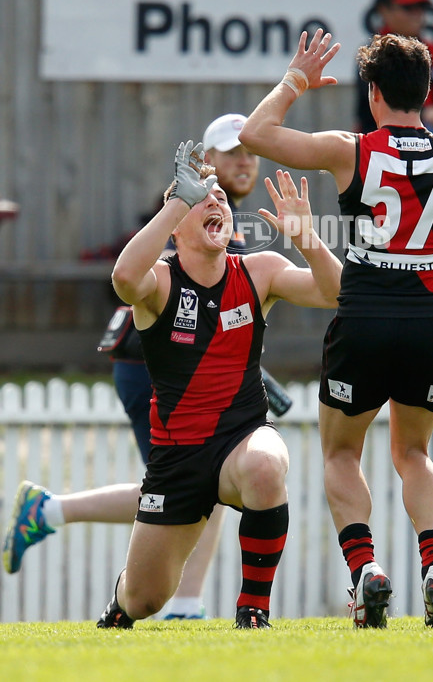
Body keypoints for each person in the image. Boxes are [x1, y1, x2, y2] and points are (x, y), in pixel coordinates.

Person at [240, 28, 433, 628]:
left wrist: (296, 79)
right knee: (412, 451)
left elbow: (255, 134)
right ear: (427, 92)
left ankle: (366, 572)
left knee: (339, 452)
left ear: (374, 93)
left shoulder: (350, 149)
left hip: (363, 315)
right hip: (431, 318)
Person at [2, 115, 292, 623]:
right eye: (231, 153)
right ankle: (178, 603)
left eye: (250, 152)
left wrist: (255, 376)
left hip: (178, 369)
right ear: (208, 160)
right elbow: (153, 291)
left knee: (222, 474)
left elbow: (228, 322)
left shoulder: (227, 222)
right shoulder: (190, 215)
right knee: (191, 478)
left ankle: (58, 516)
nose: (244, 162)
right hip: (149, 365)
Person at [91, 142, 340, 629]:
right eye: (201, 197)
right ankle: (120, 601)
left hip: (241, 437)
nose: (217, 202)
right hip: (176, 456)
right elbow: (123, 277)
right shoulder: (160, 282)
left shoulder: (258, 271)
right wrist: (175, 204)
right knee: (144, 600)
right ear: (178, 222)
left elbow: (334, 292)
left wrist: (307, 236)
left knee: (267, 466)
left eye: (222, 197)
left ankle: (253, 610)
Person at [355, 0, 433, 133]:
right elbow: (376, 99)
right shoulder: (374, 54)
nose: (416, 14)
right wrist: (424, 113)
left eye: (420, 8)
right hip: (381, 147)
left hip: (431, 147)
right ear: (384, 10)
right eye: (408, 8)